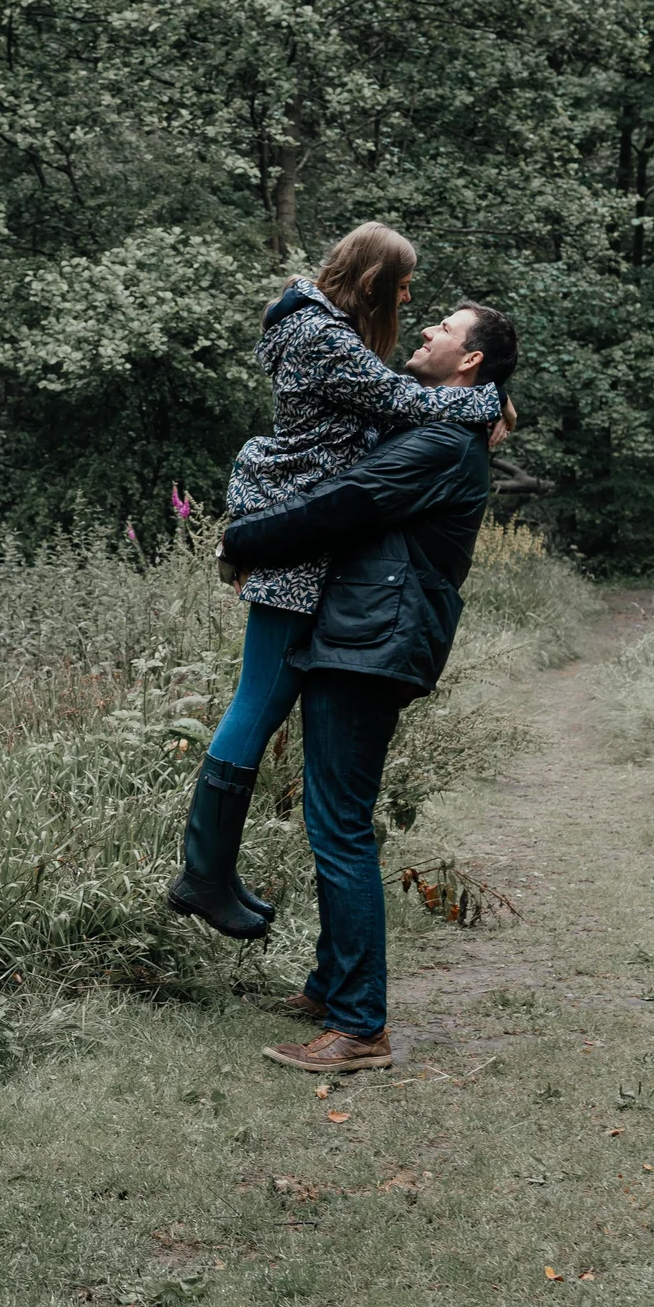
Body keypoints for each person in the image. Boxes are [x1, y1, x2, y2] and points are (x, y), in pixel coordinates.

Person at [167, 223, 514, 941]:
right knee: (258, 701)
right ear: (373, 281)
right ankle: (202, 873)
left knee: (264, 700)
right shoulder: (321, 336)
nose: (413, 305)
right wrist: (488, 402)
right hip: (295, 529)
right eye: (407, 288)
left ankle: (213, 872)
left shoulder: (322, 328)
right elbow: (406, 403)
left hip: (301, 527)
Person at [218, 300, 519, 1071]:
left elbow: (341, 501)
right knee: (337, 819)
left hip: (371, 645)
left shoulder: (441, 446)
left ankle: (360, 1027)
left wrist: (242, 538)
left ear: (471, 361)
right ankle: (329, 988)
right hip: (362, 636)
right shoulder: (440, 429)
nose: (425, 332)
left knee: (340, 826)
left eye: (442, 330)